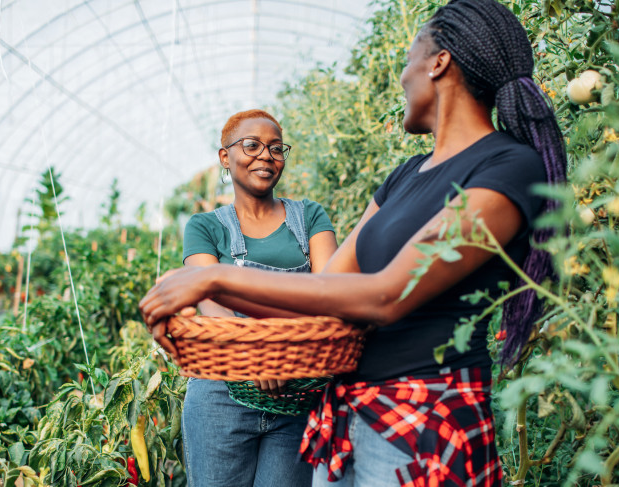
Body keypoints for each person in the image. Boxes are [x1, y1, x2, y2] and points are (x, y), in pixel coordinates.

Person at [142, 1, 566, 485]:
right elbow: (328, 291)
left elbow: (386, 295)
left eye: (409, 60)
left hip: (424, 417)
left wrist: (215, 276)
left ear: (438, 63)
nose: (403, 78)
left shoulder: (507, 167)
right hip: (346, 415)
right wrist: (201, 288)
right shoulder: (406, 176)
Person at [178, 108, 338, 487]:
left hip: (296, 392)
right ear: (225, 156)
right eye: (251, 145)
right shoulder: (205, 226)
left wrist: (285, 357)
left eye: (276, 148)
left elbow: (331, 292)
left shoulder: (309, 217)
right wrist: (257, 357)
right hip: (219, 394)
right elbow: (209, 301)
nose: (266, 156)